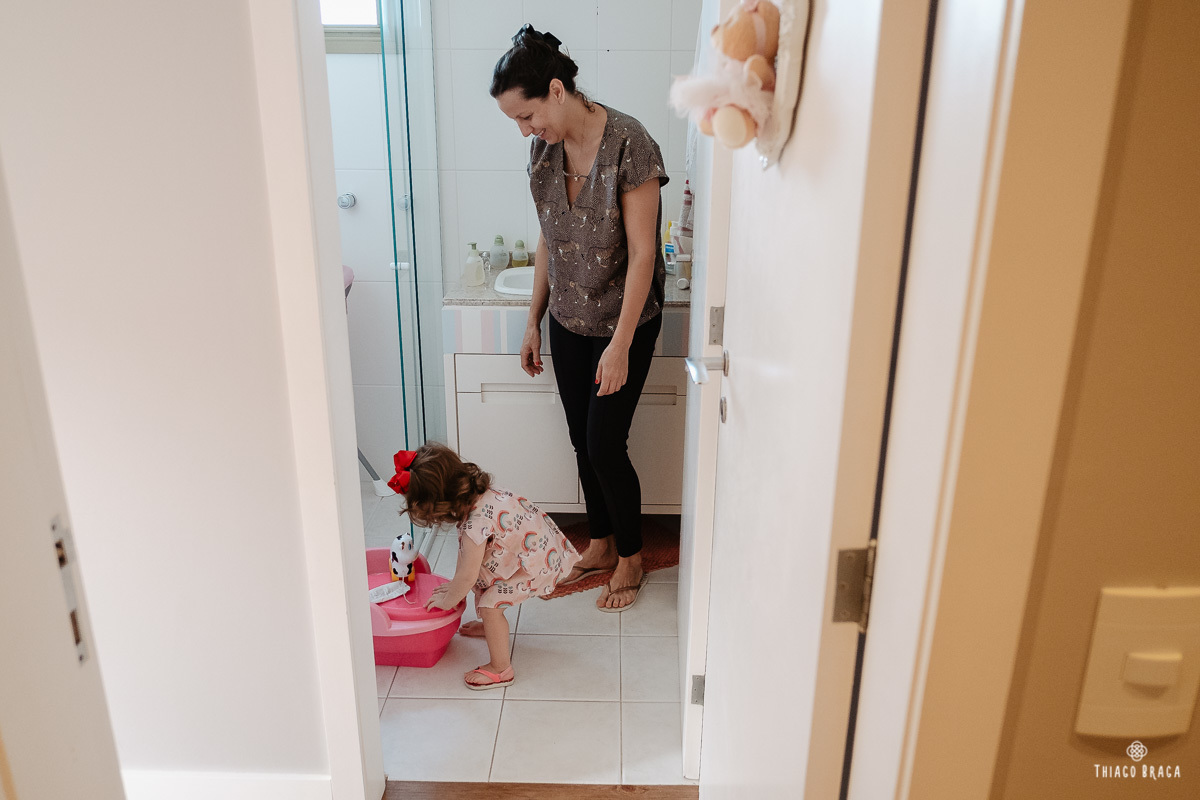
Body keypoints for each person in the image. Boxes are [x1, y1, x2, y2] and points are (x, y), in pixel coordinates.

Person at [491, 24, 669, 611]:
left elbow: (644, 253)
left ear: (555, 89)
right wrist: (531, 321)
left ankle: (631, 556)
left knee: (604, 443)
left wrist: (619, 345)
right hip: (569, 319)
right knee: (578, 438)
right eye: (517, 122)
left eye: (527, 115)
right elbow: (548, 238)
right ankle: (598, 541)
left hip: (625, 324)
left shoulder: (629, 143)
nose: (525, 131)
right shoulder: (544, 152)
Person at [391, 443, 581, 690]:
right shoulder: (481, 494)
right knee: (478, 579)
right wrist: (455, 586)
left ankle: (501, 669)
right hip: (535, 549)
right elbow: (468, 566)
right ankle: (491, 630)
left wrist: (450, 599)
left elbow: (468, 575)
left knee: (490, 604)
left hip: (537, 565)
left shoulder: (475, 525)